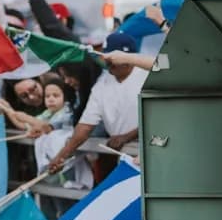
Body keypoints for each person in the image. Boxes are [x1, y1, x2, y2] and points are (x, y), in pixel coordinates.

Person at [46, 32, 154, 173]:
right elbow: (85, 127)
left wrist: (127, 136)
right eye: (105, 58)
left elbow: (160, 118)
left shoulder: (148, 77)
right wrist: (62, 156)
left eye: (112, 59)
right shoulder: (101, 85)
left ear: (127, 58)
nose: (107, 63)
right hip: (123, 156)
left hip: (150, 150)